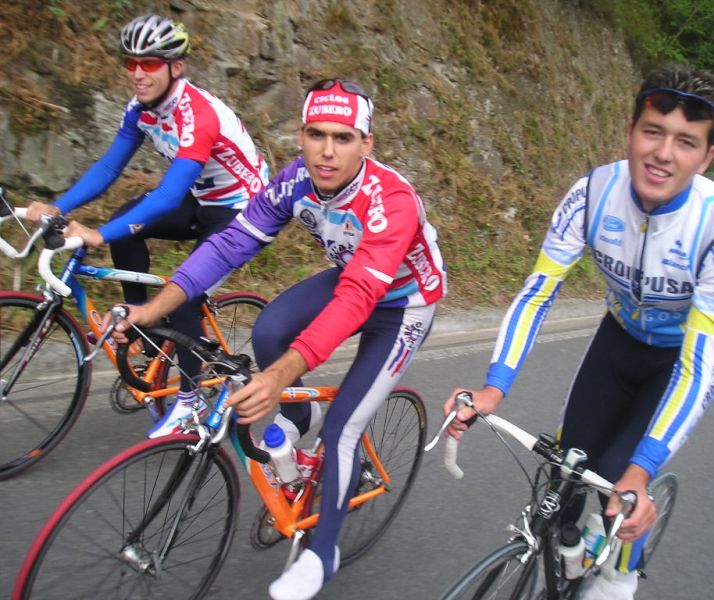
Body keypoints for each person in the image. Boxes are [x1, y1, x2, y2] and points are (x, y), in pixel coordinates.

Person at [110, 79, 446, 599]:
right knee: (268, 329)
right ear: (301, 136)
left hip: (402, 305)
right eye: (316, 134)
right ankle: (299, 413)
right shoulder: (295, 183)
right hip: (352, 278)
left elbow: (358, 298)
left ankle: (323, 553)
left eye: (343, 137)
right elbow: (230, 244)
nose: (327, 151)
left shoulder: (391, 200)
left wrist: (278, 377)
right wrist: (153, 309)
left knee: (343, 428)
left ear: (366, 144)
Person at [444, 64, 714, 599]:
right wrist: (495, 386)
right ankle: (568, 551)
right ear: (630, 131)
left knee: (619, 490)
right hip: (617, 341)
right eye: (653, 131)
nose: (663, 153)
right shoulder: (592, 194)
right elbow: (537, 293)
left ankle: (618, 578)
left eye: (686, 142)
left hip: (675, 363)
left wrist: (643, 468)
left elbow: (702, 365)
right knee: (565, 472)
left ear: (706, 159)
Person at [26, 14, 269, 437]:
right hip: (203, 198)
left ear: (177, 67)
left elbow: (169, 196)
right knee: (125, 220)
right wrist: (57, 206)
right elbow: (109, 167)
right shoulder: (141, 110)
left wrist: (97, 235)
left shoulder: (199, 115)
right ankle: (144, 331)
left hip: (242, 210)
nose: (138, 73)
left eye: (150, 63)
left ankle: (190, 400)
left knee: (184, 291)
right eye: (131, 63)